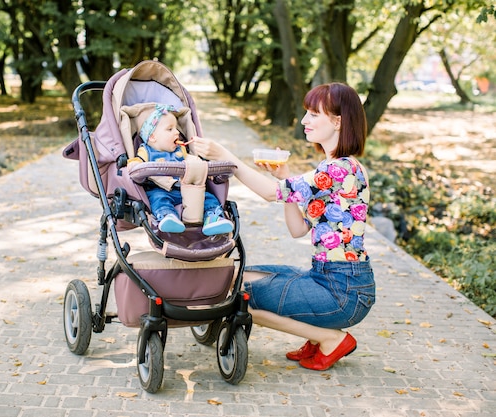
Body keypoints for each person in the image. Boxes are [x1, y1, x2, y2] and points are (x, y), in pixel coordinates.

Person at [193, 82, 375, 371]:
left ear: (338, 121)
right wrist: (286, 176)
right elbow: (298, 229)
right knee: (240, 276)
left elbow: (269, 193)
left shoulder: (339, 168)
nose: (305, 120)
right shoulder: (336, 167)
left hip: (342, 291)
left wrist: (226, 156)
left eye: (314, 113)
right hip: (331, 280)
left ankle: (328, 338)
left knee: (243, 297)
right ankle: (319, 337)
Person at [129, 103, 233, 236]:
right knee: (157, 199)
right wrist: (133, 165)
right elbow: (138, 162)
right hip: (161, 189)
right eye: (170, 129)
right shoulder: (146, 151)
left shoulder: (181, 150)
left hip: (187, 188)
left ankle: (213, 218)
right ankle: (168, 217)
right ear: (152, 137)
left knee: (208, 197)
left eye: (176, 128)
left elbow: (191, 159)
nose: (177, 132)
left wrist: (202, 165)